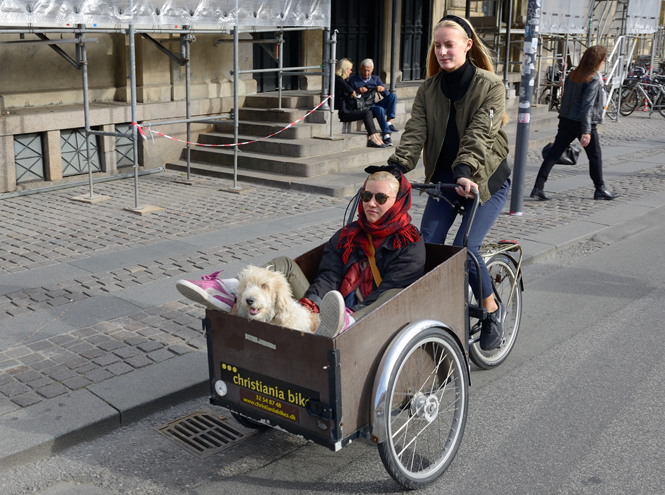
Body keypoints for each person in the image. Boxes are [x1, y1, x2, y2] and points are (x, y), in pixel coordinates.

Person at [386, 15, 511, 351]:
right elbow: (416, 130)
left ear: (467, 46)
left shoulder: (491, 85)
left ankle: (491, 311)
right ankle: (434, 316)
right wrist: (396, 167)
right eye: (437, 46)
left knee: (464, 250)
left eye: (448, 45)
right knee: (426, 246)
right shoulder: (428, 88)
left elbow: (480, 135)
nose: (442, 51)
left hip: (484, 180)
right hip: (445, 181)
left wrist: (466, 170)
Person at [175, 171, 425, 337]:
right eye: (366, 195)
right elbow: (329, 275)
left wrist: (352, 312)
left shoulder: (410, 243)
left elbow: (391, 293)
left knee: (393, 293)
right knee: (283, 264)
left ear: (398, 201)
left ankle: (347, 321)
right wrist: (312, 305)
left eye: (381, 197)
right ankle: (233, 291)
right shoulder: (347, 234)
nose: (371, 203)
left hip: (368, 312)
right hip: (328, 306)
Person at [531, 45, 619, 201]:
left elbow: (565, 99)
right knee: (595, 156)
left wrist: (563, 118)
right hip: (582, 122)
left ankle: (538, 187)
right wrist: (586, 131)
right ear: (598, 60)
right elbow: (587, 107)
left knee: (554, 154)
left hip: (566, 120)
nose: (605, 61)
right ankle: (600, 188)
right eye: (604, 58)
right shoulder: (592, 79)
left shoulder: (573, 74)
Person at [334, 58, 386, 148]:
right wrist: (355, 92)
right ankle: (373, 137)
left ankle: (375, 136)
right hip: (343, 113)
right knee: (367, 113)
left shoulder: (342, 80)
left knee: (367, 112)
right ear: (344, 69)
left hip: (348, 109)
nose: (351, 72)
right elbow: (350, 91)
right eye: (350, 69)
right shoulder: (338, 80)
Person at [348, 59, 399, 146]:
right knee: (379, 109)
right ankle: (386, 134)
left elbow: (386, 95)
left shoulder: (376, 79)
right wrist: (357, 92)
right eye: (364, 70)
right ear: (360, 69)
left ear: (373, 69)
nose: (366, 73)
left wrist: (383, 89)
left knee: (393, 96)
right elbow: (348, 97)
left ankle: (388, 122)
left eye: (369, 70)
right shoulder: (353, 80)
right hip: (362, 107)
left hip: (372, 104)